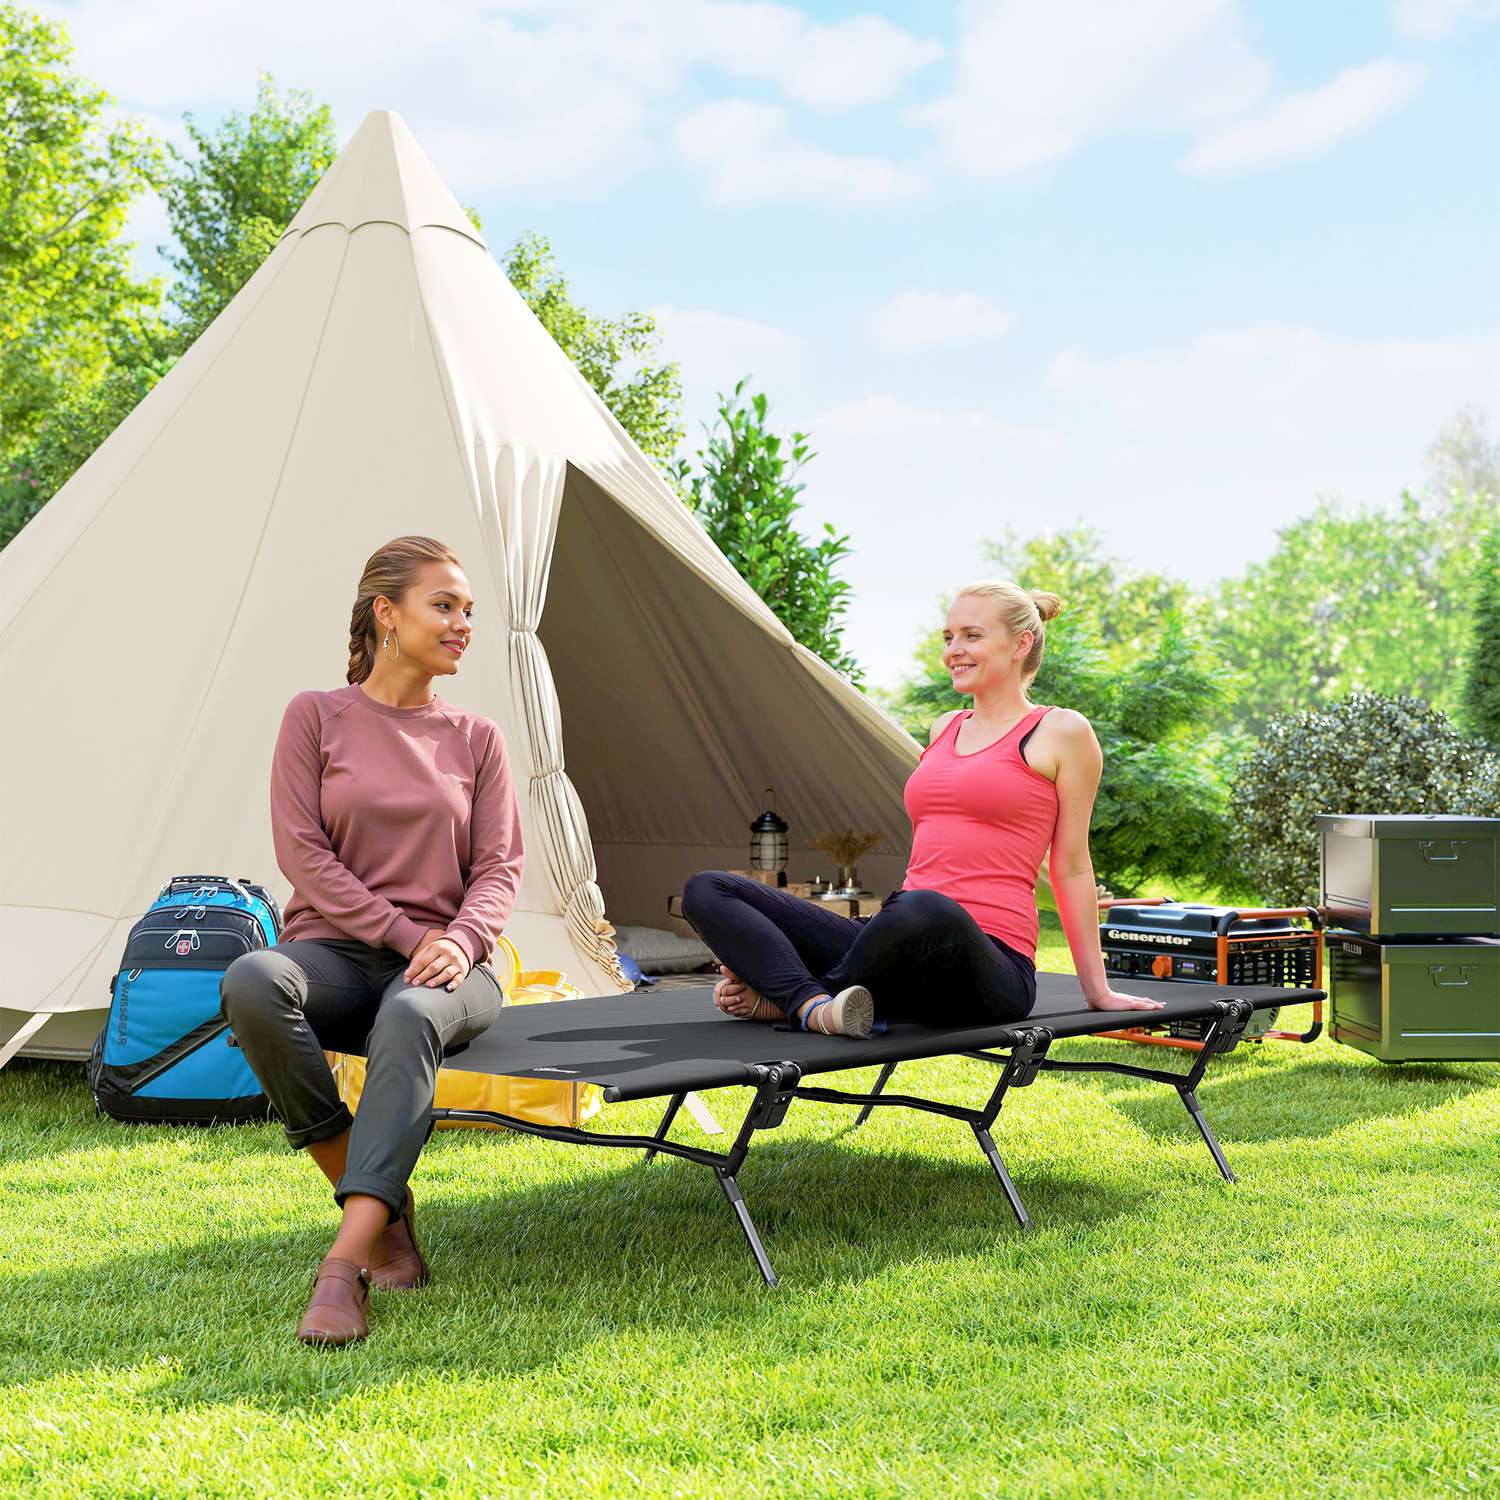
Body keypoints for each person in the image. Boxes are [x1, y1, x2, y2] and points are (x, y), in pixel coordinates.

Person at [220, 535, 524, 1347]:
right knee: (253, 980)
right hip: (338, 956)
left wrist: (459, 940)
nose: (463, 624)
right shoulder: (315, 715)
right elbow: (303, 857)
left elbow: (499, 867)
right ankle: (384, 1209)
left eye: (469, 611)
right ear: (386, 613)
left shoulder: (477, 737)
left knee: (411, 1012)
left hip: (453, 966)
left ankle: (343, 1266)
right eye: (444, 606)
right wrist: (402, 932)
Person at [681, 580, 1163, 1037]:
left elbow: (1071, 867)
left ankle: (786, 997)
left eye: (972, 635)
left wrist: (1096, 991)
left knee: (925, 907)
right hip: (897, 936)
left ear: (1021, 644)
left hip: (989, 964)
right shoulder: (944, 728)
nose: (954, 649)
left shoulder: (1062, 732)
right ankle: (812, 1006)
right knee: (708, 889)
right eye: (949, 637)